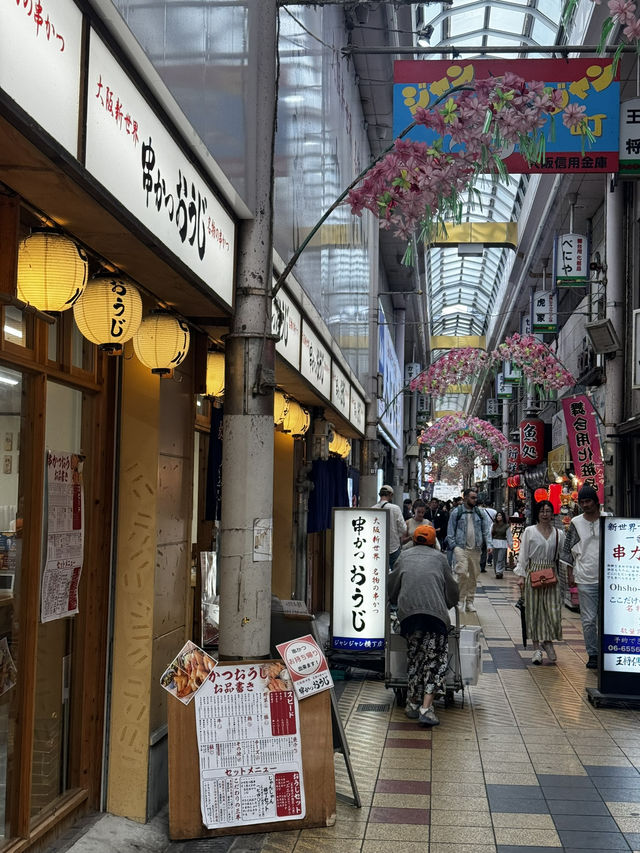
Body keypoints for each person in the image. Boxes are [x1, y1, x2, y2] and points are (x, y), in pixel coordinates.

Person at [387, 524, 459, 726]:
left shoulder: (403, 556)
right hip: (434, 617)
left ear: (413, 539)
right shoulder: (440, 558)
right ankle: (426, 709)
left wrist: (398, 599)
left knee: (415, 657)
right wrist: (447, 603)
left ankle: (411, 703)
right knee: (435, 660)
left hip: (409, 617)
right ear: (433, 542)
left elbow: (392, 587)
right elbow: (452, 590)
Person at [560, 484, 608, 669]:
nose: (586, 505)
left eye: (588, 501)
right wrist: (570, 574)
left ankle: (606, 652)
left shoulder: (608, 518)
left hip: (608, 577)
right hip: (585, 577)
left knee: (607, 619)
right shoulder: (576, 522)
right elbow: (568, 551)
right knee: (588, 619)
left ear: (595, 501)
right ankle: (593, 654)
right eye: (582, 502)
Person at [515, 500, 564, 665]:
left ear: (552, 514)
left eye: (548, 511)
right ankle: (536, 649)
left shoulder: (559, 534)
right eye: (542, 511)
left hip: (551, 574)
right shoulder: (530, 531)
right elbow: (523, 554)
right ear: (537, 513)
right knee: (534, 611)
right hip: (533, 573)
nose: (545, 514)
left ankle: (547, 641)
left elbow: (563, 556)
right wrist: (521, 576)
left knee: (552, 611)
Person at [446, 488, 492, 612]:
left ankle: (469, 601)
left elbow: (486, 530)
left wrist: (489, 544)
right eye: (473, 497)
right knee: (462, 572)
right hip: (460, 547)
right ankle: (460, 600)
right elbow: (450, 530)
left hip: (476, 549)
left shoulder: (480, 513)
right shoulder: (457, 512)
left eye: (476, 497)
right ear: (465, 498)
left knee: (473, 576)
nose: (475, 500)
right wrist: (453, 545)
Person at [372, 485, 407, 570]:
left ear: (380, 494)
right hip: (393, 547)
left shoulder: (373, 509)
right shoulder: (395, 508)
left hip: (377, 548)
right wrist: (397, 534)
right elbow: (403, 529)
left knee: (378, 571)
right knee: (396, 572)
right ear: (390, 495)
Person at [491, 510, 513, 579]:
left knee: (500, 559)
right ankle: (497, 571)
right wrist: (489, 544)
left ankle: (499, 572)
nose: (498, 517)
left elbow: (509, 536)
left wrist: (511, 545)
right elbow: (490, 534)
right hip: (495, 543)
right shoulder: (493, 525)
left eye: (500, 515)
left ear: (503, 517)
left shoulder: (506, 526)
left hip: (503, 543)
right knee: (495, 559)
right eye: (497, 515)